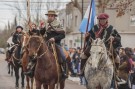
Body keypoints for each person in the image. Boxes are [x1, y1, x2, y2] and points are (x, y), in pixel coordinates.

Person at [25, 10, 68, 79]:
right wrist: (32, 30)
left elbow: (62, 35)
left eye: (51, 16)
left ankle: (63, 72)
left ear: (54, 17)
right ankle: (32, 71)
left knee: (63, 56)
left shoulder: (59, 24)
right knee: (35, 55)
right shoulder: (47, 24)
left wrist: (54, 38)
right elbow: (41, 32)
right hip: (46, 44)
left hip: (55, 43)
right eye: (49, 16)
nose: (50, 17)